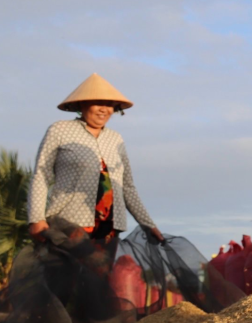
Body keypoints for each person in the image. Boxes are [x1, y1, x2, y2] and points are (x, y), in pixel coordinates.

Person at [28, 72, 164, 256]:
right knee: (70, 279)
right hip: (69, 223)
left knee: (100, 278)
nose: (104, 110)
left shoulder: (116, 139)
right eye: (98, 103)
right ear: (81, 104)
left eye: (109, 105)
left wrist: (148, 224)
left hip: (109, 227)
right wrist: (36, 219)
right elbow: (41, 175)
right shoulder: (59, 130)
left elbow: (128, 187)